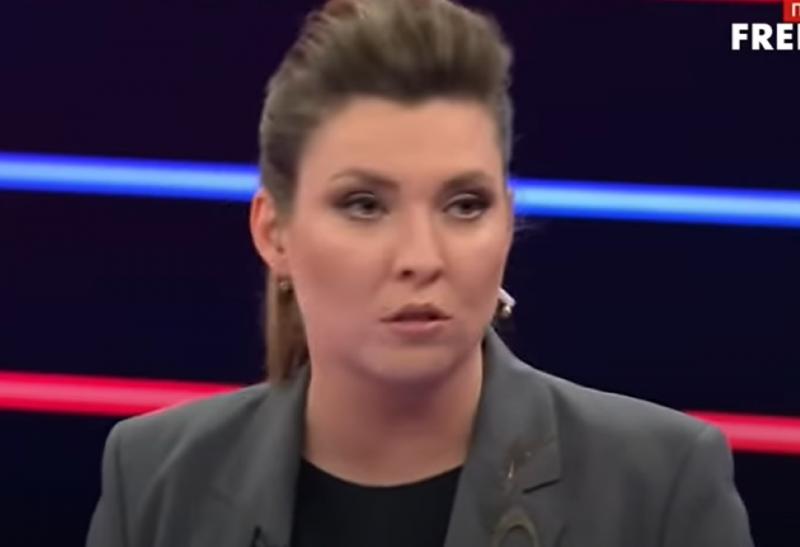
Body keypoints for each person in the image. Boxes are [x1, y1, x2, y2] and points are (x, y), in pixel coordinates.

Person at [85, 0, 754, 546]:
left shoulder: (660, 485)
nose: (422, 257)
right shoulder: (153, 478)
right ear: (273, 232)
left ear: (506, 221)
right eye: (364, 204)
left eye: (464, 204)